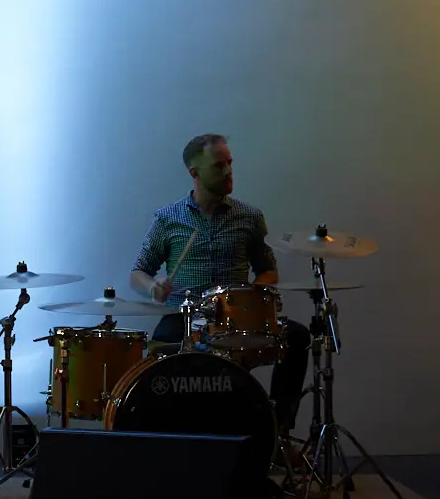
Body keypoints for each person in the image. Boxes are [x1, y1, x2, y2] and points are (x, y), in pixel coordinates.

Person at [128, 133, 311, 437]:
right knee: (160, 351)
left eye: (229, 163)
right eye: (218, 166)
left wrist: (249, 297)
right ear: (195, 173)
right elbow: (138, 272)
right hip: (183, 318)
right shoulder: (167, 219)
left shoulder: (250, 217)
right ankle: (172, 440)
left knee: (298, 337)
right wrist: (153, 287)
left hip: (234, 319)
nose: (228, 172)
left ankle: (279, 432)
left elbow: (268, 272)